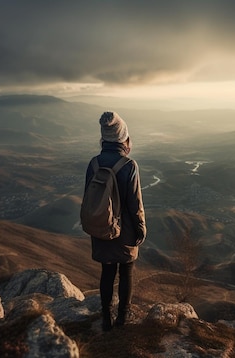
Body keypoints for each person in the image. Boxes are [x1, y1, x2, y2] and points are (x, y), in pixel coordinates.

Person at [84, 111, 147, 331]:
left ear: (104, 139)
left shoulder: (93, 164)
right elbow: (134, 203)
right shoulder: (129, 166)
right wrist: (141, 228)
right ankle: (122, 318)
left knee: (107, 271)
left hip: (102, 227)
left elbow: (89, 199)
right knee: (126, 270)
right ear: (124, 139)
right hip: (125, 230)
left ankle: (106, 318)